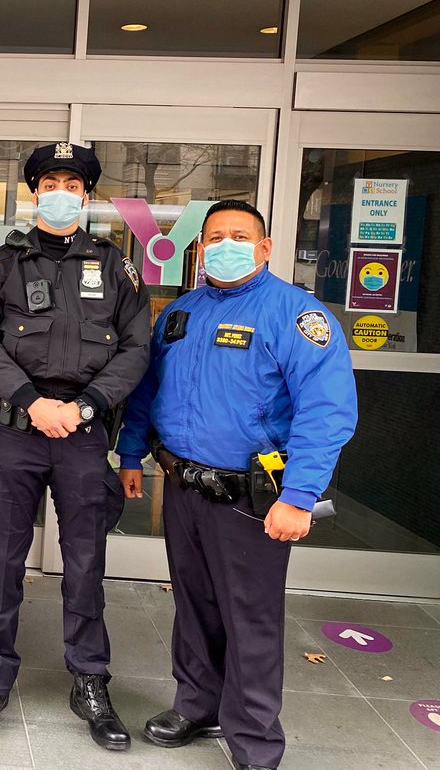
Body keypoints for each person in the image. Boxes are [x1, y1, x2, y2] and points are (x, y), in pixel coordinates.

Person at [115, 200, 357, 770]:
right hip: (183, 486)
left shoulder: (296, 315)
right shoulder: (180, 313)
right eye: (215, 236)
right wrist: (131, 452)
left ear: (265, 248)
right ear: (199, 248)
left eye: (239, 235)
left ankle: (254, 739)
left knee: (249, 616)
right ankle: (198, 704)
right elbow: (148, 392)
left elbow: (326, 411)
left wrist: (299, 496)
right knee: (194, 605)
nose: (226, 244)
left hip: (253, 495)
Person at [0, 143, 151, 748]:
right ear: (34, 193)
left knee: (87, 564)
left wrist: (84, 406)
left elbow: (135, 350)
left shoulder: (117, 268)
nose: (61, 192)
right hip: (20, 431)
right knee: (3, 564)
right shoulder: (0, 265)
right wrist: (31, 402)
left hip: (84, 435)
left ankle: (90, 680)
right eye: (51, 183)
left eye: (73, 183)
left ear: (87, 195)